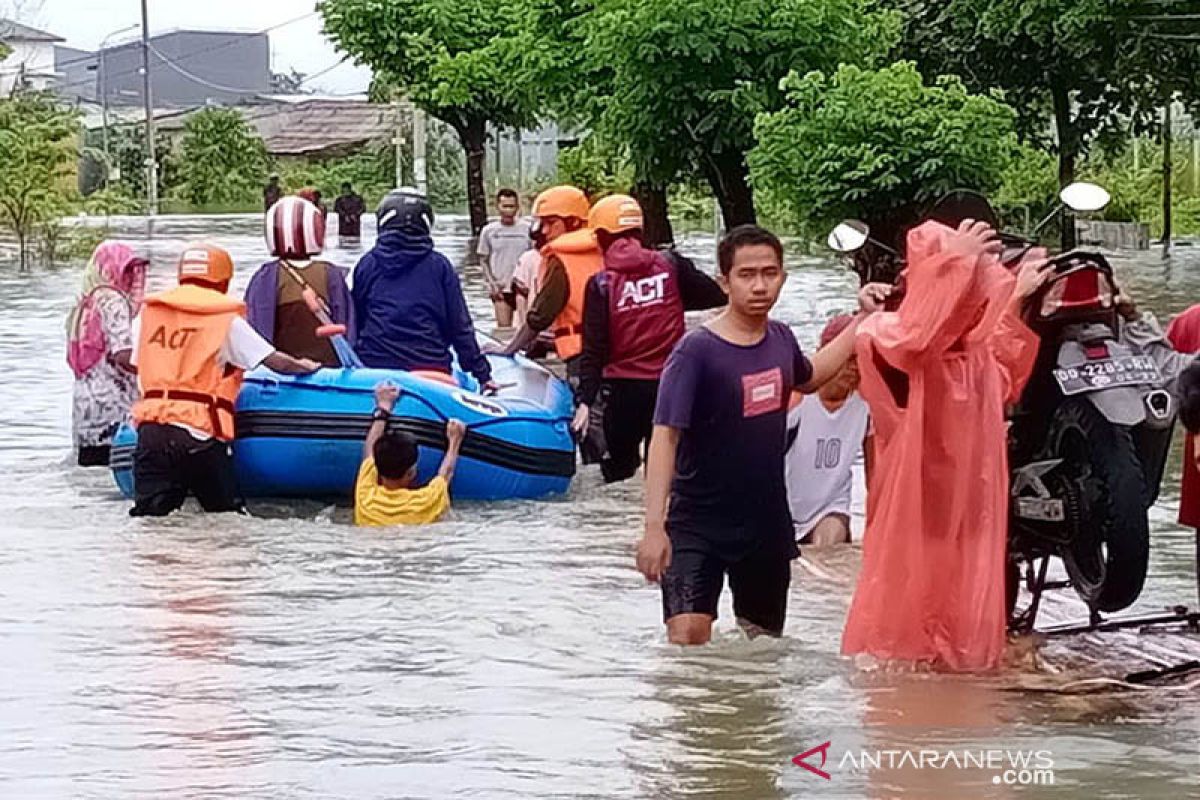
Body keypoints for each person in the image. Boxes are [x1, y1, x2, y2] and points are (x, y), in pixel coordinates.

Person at [636, 225, 893, 645]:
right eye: (747, 274)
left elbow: (809, 378)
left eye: (769, 273)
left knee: (763, 647)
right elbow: (664, 437)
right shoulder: (695, 352)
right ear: (724, 281)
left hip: (765, 524)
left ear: (783, 277)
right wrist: (652, 527)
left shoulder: (780, 339)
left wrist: (864, 319)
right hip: (696, 523)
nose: (759, 285)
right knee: (688, 639)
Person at [841, 219, 1052, 672]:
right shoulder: (881, 336)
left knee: (961, 650)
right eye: (967, 290)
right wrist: (953, 262)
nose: (973, 303)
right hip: (915, 518)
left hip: (969, 518)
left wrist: (1015, 296)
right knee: (909, 650)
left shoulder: (973, 358)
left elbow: (1002, 363)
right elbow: (915, 340)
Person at [129, 244, 321, 517]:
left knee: (152, 519)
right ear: (222, 281)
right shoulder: (224, 319)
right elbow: (274, 361)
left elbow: (136, 363)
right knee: (226, 516)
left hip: (150, 432)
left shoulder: (148, 314)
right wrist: (303, 365)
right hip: (199, 435)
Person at [576, 194, 726, 483]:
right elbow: (715, 294)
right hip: (673, 385)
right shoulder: (671, 265)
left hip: (622, 394)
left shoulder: (601, 284)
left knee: (619, 476)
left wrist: (584, 401)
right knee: (670, 472)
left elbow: (593, 350)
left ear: (603, 237)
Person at [352, 188, 496, 391]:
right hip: (430, 366)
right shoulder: (440, 266)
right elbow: (459, 326)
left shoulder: (367, 264)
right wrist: (482, 374)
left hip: (374, 364)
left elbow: (356, 318)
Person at [784, 314, 872, 546]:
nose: (855, 368)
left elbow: (875, 476)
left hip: (829, 508)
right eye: (848, 359)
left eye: (861, 360)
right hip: (781, 509)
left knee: (829, 545)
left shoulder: (867, 405)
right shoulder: (796, 400)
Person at [245, 196, 355, 367]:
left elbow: (256, 330)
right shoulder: (331, 273)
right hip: (330, 372)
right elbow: (348, 324)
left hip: (284, 372)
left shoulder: (265, 276)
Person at [66, 242, 148, 466]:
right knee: (114, 477)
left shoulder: (84, 303)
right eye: (128, 271)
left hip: (85, 405)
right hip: (113, 405)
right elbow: (123, 354)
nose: (134, 278)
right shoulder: (113, 301)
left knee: (91, 475)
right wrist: (156, 372)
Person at [355, 381, 466, 526]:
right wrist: (455, 440)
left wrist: (383, 408)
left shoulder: (365, 497)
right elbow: (446, 473)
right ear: (411, 473)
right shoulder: (427, 501)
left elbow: (369, 450)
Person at [477, 188, 531, 328]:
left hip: (524, 289)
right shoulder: (488, 231)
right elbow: (483, 259)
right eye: (505, 206)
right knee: (504, 331)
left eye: (512, 206)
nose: (508, 211)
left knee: (526, 330)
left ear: (517, 207)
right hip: (501, 289)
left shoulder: (528, 229)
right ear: (497, 207)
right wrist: (491, 283)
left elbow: (535, 258)